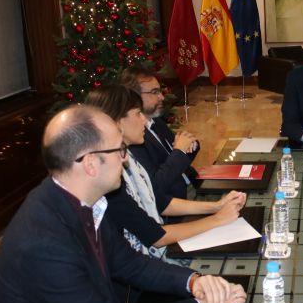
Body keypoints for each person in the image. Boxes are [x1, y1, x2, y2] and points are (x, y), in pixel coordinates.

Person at [0, 105, 247, 303]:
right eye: (119, 150)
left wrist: (194, 282)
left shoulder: (79, 201)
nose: (126, 159)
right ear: (90, 163)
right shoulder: (42, 245)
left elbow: (130, 263)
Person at [84, 85, 246, 261]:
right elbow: (156, 236)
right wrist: (217, 219)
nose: (145, 120)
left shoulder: (129, 157)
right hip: (139, 269)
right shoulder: (108, 178)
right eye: (138, 114)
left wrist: (216, 206)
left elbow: (160, 202)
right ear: (116, 122)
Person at [120, 66, 199, 212]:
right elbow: (155, 186)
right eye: (154, 92)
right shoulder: (132, 139)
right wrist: (180, 150)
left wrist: (189, 144)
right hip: (176, 204)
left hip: (194, 186)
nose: (162, 97)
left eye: (160, 91)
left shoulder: (155, 121)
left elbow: (180, 152)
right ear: (134, 96)